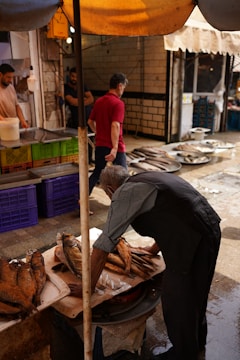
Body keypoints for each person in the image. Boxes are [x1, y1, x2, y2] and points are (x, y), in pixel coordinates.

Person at [69, 165, 221, 360]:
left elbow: (103, 246)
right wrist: (152, 250)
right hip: (209, 229)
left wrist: (86, 288)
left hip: (192, 243)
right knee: (196, 295)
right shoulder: (145, 180)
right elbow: (174, 214)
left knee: (178, 302)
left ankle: (183, 355)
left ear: (109, 190)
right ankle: (196, 346)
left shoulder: (125, 193)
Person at [87, 73, 128, 195]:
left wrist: (98, 133)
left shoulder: (99, 101)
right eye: (124, 87)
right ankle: (124, 203)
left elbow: (90, 121)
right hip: (115, 147)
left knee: (97, 172)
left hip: (100, 145)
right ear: (119, 86)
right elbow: (115, 125)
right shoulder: (118, 103)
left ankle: (82, 200)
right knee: (123, 176)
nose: (123, 90)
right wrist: (115, 148)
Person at [64, 67, 94, 163]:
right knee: (78, 140)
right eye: (73, 76)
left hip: (88, 117)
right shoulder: (66, 87)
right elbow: (71, 101)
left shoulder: (83, 86)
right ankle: (80, 160)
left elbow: (91, 99)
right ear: (69, 75)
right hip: (75, 118)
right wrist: (84, 100)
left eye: (76, 77)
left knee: (90, 138)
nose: (74, 79)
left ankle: (89, 159)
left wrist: (79, 102)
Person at [0, 63, 29, 128]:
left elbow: (17, 106)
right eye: (8, 77)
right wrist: (5, 123)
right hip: (2, 127)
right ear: (0, 75)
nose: (10, 80)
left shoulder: (11, 87)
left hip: (13, 126)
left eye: (11, 77)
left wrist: (22, 120)